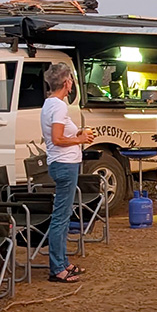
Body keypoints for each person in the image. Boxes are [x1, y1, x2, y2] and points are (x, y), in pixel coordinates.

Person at [41, 63, 95, 283]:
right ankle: (57, 268)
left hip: (61, 163)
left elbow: (62, 133)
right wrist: (80, 140)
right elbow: (57, 138)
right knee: (61, 218)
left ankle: (62, 262)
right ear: (67, 82)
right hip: (64, 164)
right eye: (71, 79)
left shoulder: (51, 104)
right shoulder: (59, 106)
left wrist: (79, 134)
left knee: (63, 215)